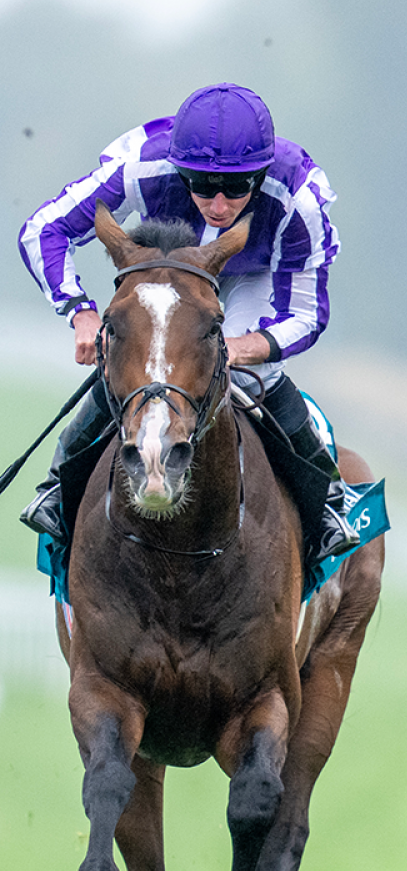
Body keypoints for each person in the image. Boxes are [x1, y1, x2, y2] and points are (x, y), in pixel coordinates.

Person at [16, 82, 358, 562]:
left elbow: (305, 314)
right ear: (179, 172)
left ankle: (326, 503)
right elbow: (44, 230)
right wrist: (81, 312)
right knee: (138, 354)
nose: (219, 205)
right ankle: (58, 486)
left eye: (238, 188)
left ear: (261, 175)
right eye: (201, 185)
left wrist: (240, 347)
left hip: (255, 275)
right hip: (173, 271)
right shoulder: (142, 168)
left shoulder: (298, 200)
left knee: (249, 371)